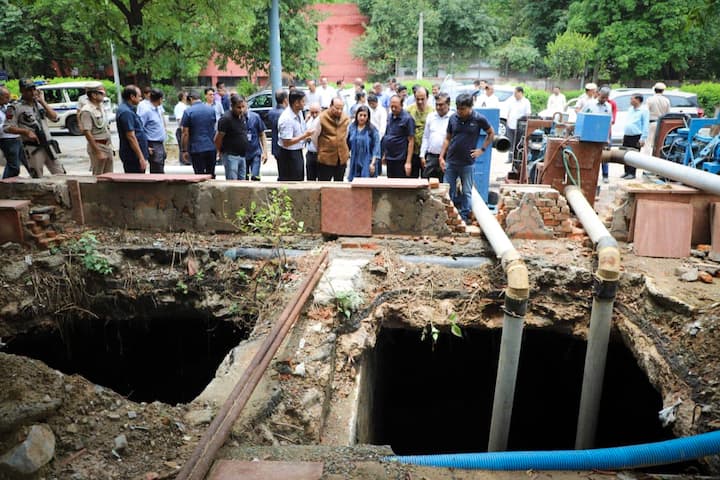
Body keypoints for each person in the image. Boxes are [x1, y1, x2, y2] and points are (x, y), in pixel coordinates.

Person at [439, 92, 494, 222]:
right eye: (458, 108)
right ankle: (448, 217)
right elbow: (447, 138)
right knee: (448, 190)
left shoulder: (478, 119)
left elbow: (491, 133)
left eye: (462, 109)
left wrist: (482, 149)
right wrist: (441, 156)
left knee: (467, 192)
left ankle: (464, 216)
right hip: (451, 161)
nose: (459, 111)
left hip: (467, 163)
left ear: (470, 107)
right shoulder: (453, 118)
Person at [6, 78, 65, 177]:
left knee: (61, 173)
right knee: (37, 177)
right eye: (28, 90)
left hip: (48, 144)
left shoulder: (39, 104)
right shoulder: (15, 107)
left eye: (33, 89)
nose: (32, 92)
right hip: (32, 147)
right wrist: (25, 132)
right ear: (22, 91)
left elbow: (55, 118)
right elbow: (7, 127)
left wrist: (42, 101)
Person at [277, 89, 313, 181]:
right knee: (291, 181)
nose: (304, 104)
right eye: (303, 101)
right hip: (288, 154)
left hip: (298, 151)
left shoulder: (299, 113)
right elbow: (286, 142)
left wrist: (306, 136)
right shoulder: (286, 118)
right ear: (296, 103)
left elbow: (299, 129)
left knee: (299, 178)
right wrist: (305, 135)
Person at [311, 97, 350, 181]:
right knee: (324, 184)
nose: (339, 111)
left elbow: (346, 135)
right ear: (330, 106)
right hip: (326, 158)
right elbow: (314, 136)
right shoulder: (321, 118)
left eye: (341, 109)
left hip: (341, 158)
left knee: (339, 184)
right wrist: (321, 148)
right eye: (337, 108)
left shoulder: (345, 118)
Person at [78, 83, 113, 175]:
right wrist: (98, 152)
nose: (104, 95)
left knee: (109, 176)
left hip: (107, 145)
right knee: (98, 176)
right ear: (94, 95)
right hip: (97, 146)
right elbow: (87, 132)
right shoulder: (87, 110)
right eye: (101, 93)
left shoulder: (100, 107)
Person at [182, 90, 218, 177]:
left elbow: (185, 133)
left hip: (196, 149)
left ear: (190, 99)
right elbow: (214, 129)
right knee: (210, 175)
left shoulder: (188, 112)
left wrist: (184, 150)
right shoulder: (211, 110)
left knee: (199, 176)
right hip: (211, 147)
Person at [582, 87, 613, 183]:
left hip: (601, 136)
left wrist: (607, 138)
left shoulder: (608, 107)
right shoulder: (589, 104)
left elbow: (608, 123)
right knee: (588, 156)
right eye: (603, 97)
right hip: (589, 135)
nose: (604, 100)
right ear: (599, 94)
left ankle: (604, 175)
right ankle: (587, 176)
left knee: (603, 156)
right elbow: (582, 118)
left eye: (606, 98)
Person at [215, 94, 248, 180]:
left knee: (243, 182)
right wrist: (219, 151)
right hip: (231, 156)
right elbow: (218, 138)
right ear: (232, 106)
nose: (241, 110)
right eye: (238, 107)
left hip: (242, 156)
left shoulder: (242, 117)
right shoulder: (226, 119)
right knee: (232, 182)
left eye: (243, 107)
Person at [116, 85, 149, 173]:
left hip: (135, 154)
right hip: (132, 156)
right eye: (139, 96)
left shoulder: (129, 110)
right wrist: (141, 157)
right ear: (132, 97)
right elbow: (131, 136)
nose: (141, 99)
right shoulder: (126, 112)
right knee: (136, 182)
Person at [381, 95, 415, 178]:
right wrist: (385, 154)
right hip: (390, 157)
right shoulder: (390, 116)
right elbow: (387, 134)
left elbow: (411, 140)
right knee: (390, 183)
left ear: (401, 105)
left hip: (401, 158)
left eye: (395, 107)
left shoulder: (408, 119)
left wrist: (408, 162)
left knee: (400, 184)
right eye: (391, 106)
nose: (393, 109)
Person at [420, 92, 451, 182]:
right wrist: (422, 155)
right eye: (436, 105)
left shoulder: (453, 118)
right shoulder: (431, 116)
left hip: (447, 158)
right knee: (427, 183)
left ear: (448, 104)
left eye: (441, 105)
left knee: (445, 184)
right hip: (431, 157)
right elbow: (426, 137)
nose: (438, 107)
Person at [347, 105, 381, 181]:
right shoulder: (352, 128)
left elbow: (376, 147)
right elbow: (347, 144)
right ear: (357, 115)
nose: (362, 117)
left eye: (365, 115)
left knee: (366, 184)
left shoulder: (372, 130)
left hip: (367, 161)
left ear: (368, 117)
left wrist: (372, 164)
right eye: (360, 115)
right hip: (355, 160)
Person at [406, 86, 434, 178]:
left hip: (427, 152)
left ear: (427, 98)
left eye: (422, 99)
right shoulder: (409, 110)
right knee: (411, 179)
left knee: (426, 178)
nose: (420, 102)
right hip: (412, 151)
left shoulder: (432, 112)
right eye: (417, 99)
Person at [137, 88, 167, 173]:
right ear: (160, 99)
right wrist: (145, 145)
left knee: (160, 165)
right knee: (157, 168)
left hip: (160, 142)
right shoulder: (147, 111)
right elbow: (140, 128)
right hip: (152, 143)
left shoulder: (158, 109)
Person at [622, 94, 649, 179]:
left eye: (632, 99)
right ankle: (626, 171)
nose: (630, 101)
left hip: (636, 135)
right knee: (625, 154)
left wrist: (643, 138)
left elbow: (645, 125)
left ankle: (632, 173)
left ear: (638, 100)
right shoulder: (630, 109)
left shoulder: (643, 111)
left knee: (633, 155)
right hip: (627, 135)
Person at [0, 86, 24, 179]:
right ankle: (5, 184)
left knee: (19, 162)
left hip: (16, 137)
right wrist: (8, 128)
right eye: (6, 97)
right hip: (7, 138)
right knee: (13, 166)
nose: (8, 99)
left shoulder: (7, 107)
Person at [505, 86, 532, 163]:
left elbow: (528, 114)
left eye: (516, 93)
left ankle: (516, 159)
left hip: (519, 127)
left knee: (518, 143)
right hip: (510, 124)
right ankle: (510, 158)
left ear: (520, 93)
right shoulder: (512, 101)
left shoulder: (526, 102)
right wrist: (507, 119)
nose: (514, 95)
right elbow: (509, 111)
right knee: (510, 142)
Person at [644, 82, 671, 155]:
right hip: (662, 123)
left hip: (651, 123)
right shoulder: (666, 100)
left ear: (654, 90)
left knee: (648, 142)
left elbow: (646, 111)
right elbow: (668, 113)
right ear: (663, 91)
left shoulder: (650, 99)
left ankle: (646, 159)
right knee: (659, 142)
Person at [244, 100, 268, 181]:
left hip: (255, 152)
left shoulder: (255, 117)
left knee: (255, 176)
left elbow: (262, 134)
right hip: (243, 155)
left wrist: (265, 152)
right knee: (244, 178)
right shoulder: (236, 119)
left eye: (243, 106)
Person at [268, 90, 288, 161]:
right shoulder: (285, 114)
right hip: (284, 147)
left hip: (275, 147)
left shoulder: (271, 112)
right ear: (285, 99)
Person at [305, 103, 321, 181]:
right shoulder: (308, 120)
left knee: (321, 178)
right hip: (310, 153)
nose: (314, 115)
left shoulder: (322, 120)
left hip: (320, 153)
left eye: (316, 112)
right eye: (312, 112)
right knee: (310, 178)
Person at [174, 91, 190, 164]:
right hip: (182, 130)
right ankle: (183, 163)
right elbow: (180, 120)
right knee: (183, 147)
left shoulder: (185, 106)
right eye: (186, 96)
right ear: (183, 97)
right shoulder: (179, 107)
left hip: (186, 130)